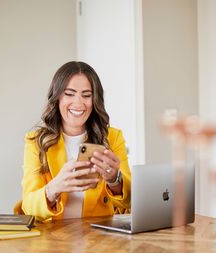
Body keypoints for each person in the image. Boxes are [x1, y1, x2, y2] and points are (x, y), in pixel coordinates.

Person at [15, 61, 131, 220]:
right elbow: (28, 207)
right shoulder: (36, 141)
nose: (78, 103)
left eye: (86, 95)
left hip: (99, 238)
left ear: (94, 99)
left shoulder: (112, 137)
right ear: (57, 98)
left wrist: (114, 180)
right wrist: (54, 188)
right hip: (53, 239)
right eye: (69, 94)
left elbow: (129, 201)